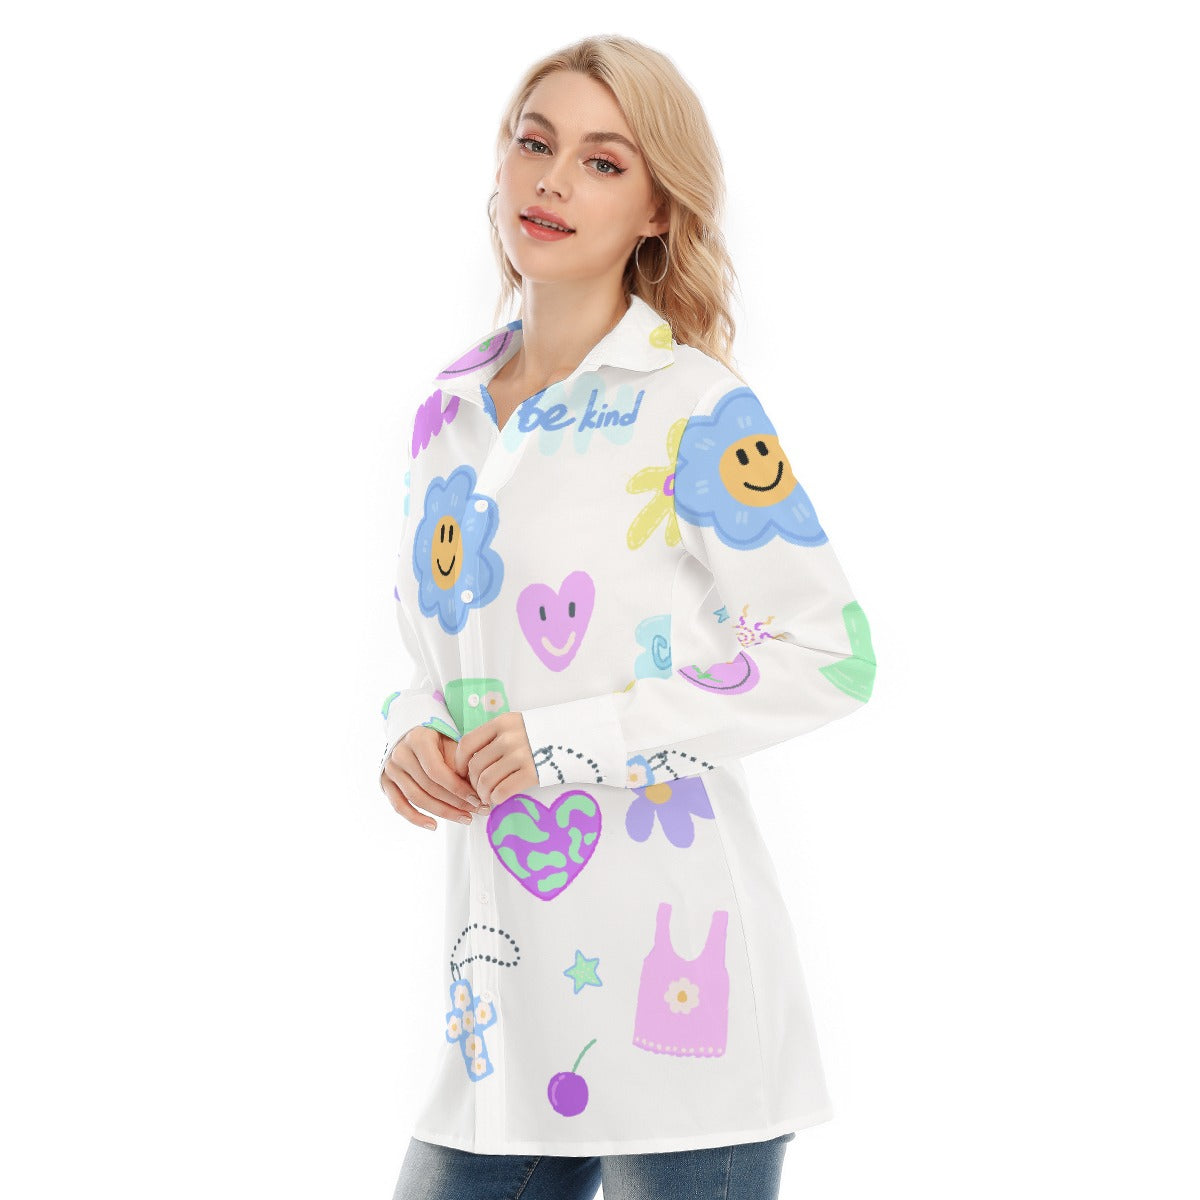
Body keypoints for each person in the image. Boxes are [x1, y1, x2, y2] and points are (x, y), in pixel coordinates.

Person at [379, 33, 876, 1200]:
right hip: (500, 1023)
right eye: (535, 143)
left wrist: (568, 741)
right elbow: (435, 651)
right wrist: (411, 729)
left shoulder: (695, 407)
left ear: (657, 210)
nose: (552, 181)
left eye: (603, 162)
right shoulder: (446, 415)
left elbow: (831, 655)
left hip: (684, 1032)